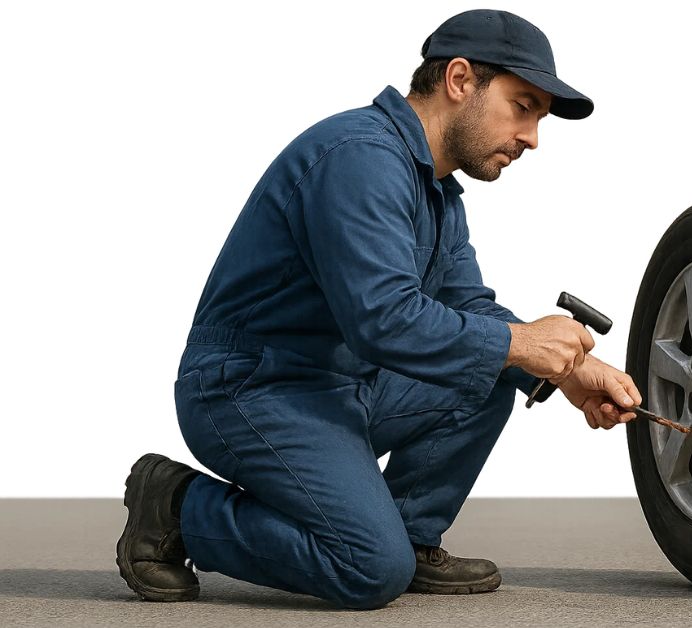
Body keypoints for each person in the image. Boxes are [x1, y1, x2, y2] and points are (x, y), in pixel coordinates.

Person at [115, 9, 642, 610]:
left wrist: (568, 372)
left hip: (339, 386)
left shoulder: (436, 189)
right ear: (461, 80)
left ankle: (408, 535)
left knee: (489, 369)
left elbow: (466, 306)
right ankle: (180, 508)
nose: (532, 138)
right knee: (367, 569)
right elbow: (383, 321)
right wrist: (522, 346)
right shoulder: (359, 158)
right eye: (523, 107)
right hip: (251, 389)